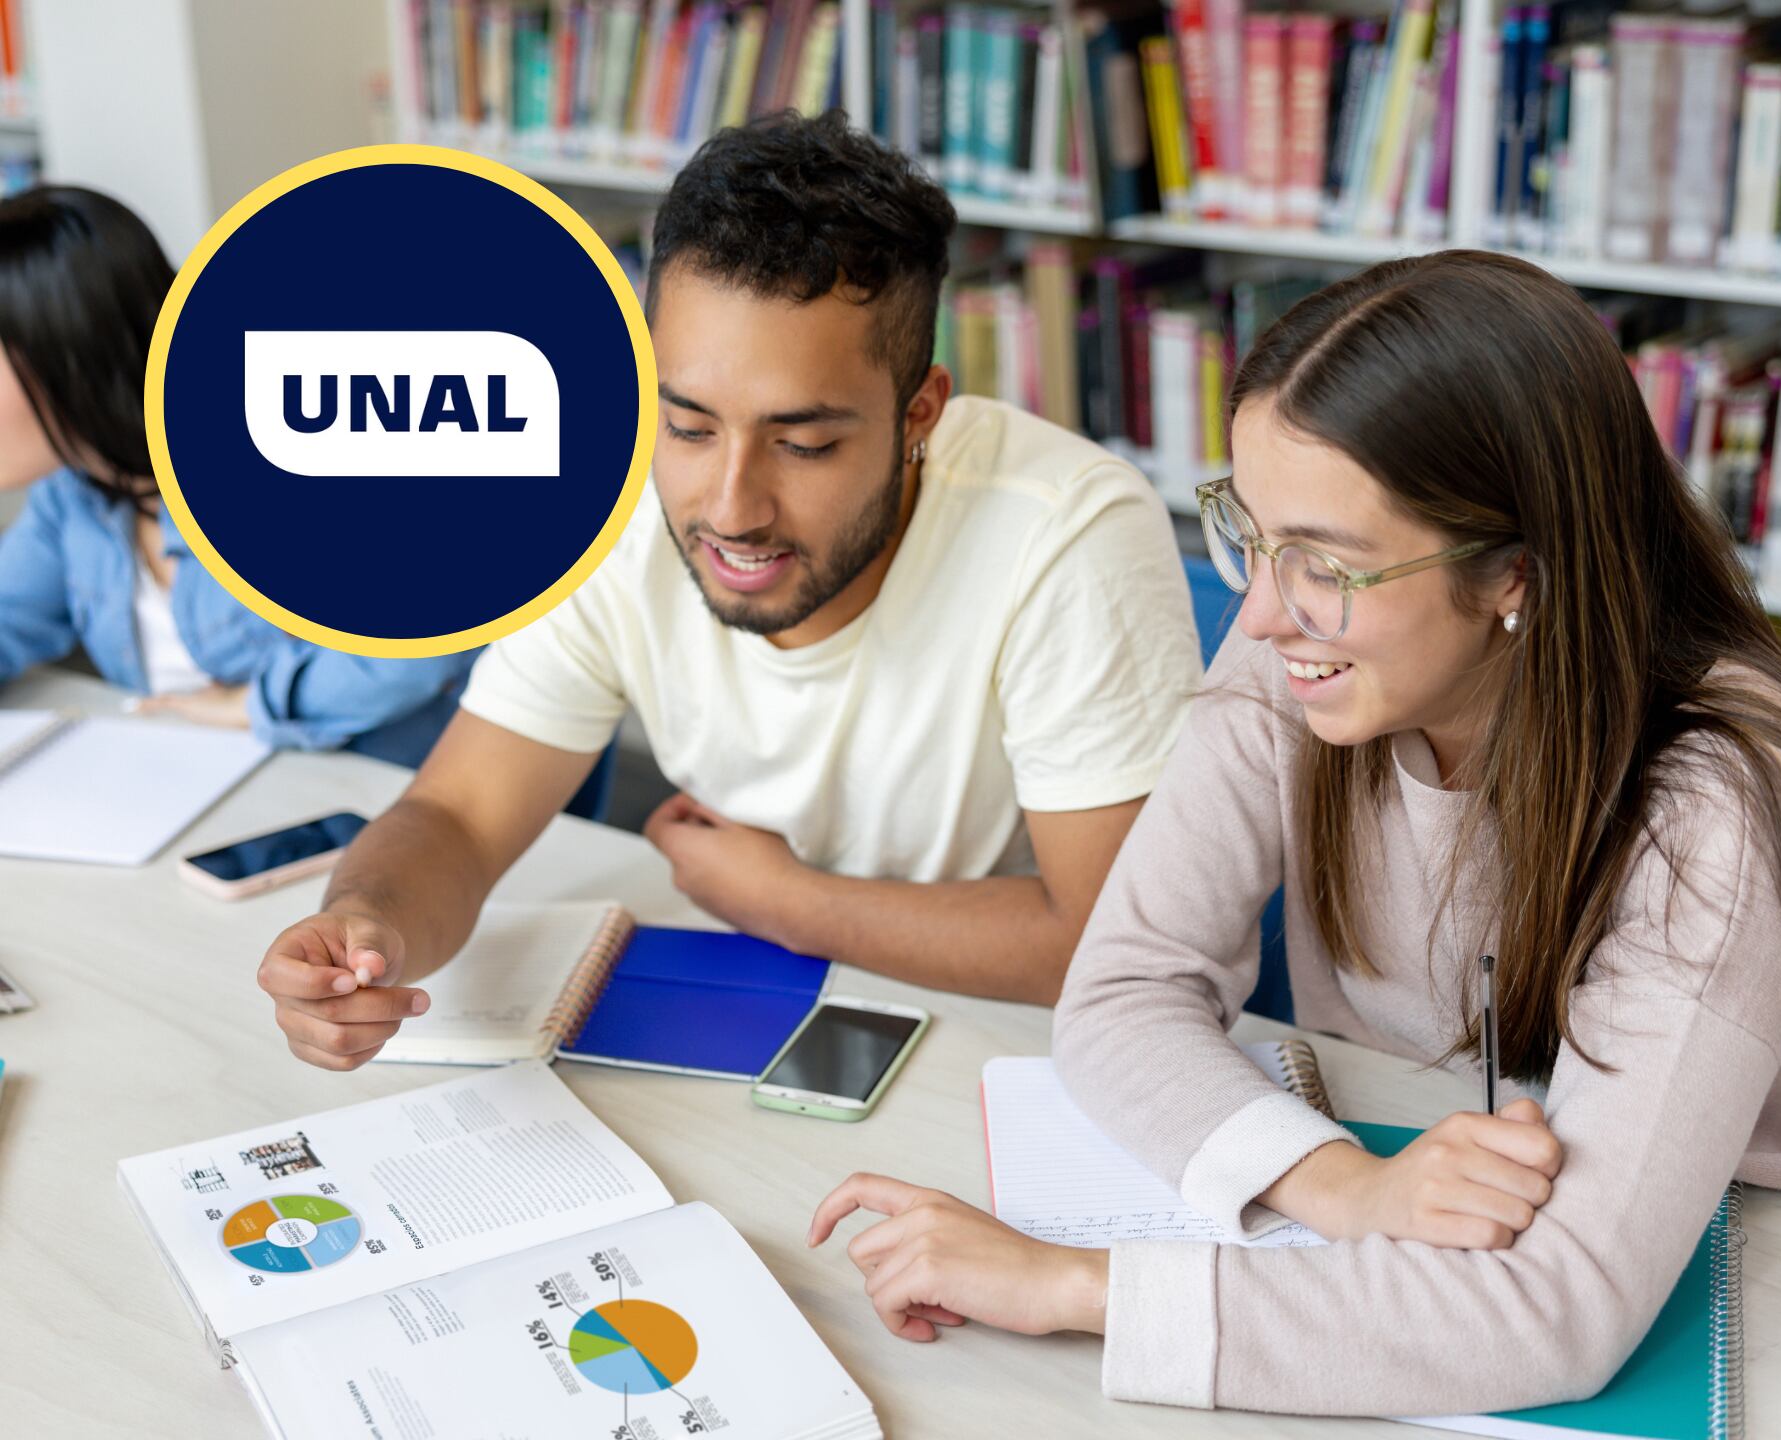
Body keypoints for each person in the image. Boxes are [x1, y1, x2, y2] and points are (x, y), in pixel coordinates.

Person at [808, 251, 1781, 1418]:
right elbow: (1125, 986)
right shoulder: (1295, 646)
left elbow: (1560, 1310)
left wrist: (1071, 1286)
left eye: (1328, 565)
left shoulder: (1721, 795)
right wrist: (1347, 1188)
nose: (1263, 614)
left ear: (1517, 577)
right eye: (1253, 532)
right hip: (1434, 1211)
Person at [254, 111, 1198, 1068]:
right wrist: (367, 926)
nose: (734, 509)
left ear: (919, 413)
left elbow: (1105, 942)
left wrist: (784, 901)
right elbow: (456, 816)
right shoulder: (607, 503)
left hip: (1006, 1046)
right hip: (740, 1009)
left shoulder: (1067, 529)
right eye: (690, 427)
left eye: (805, 444)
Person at [0, 185, 476, 765]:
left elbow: (427, 642)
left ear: (67, 354)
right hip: (206, 783)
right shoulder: (72, 493)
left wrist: (258, 705)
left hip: (390, 791)